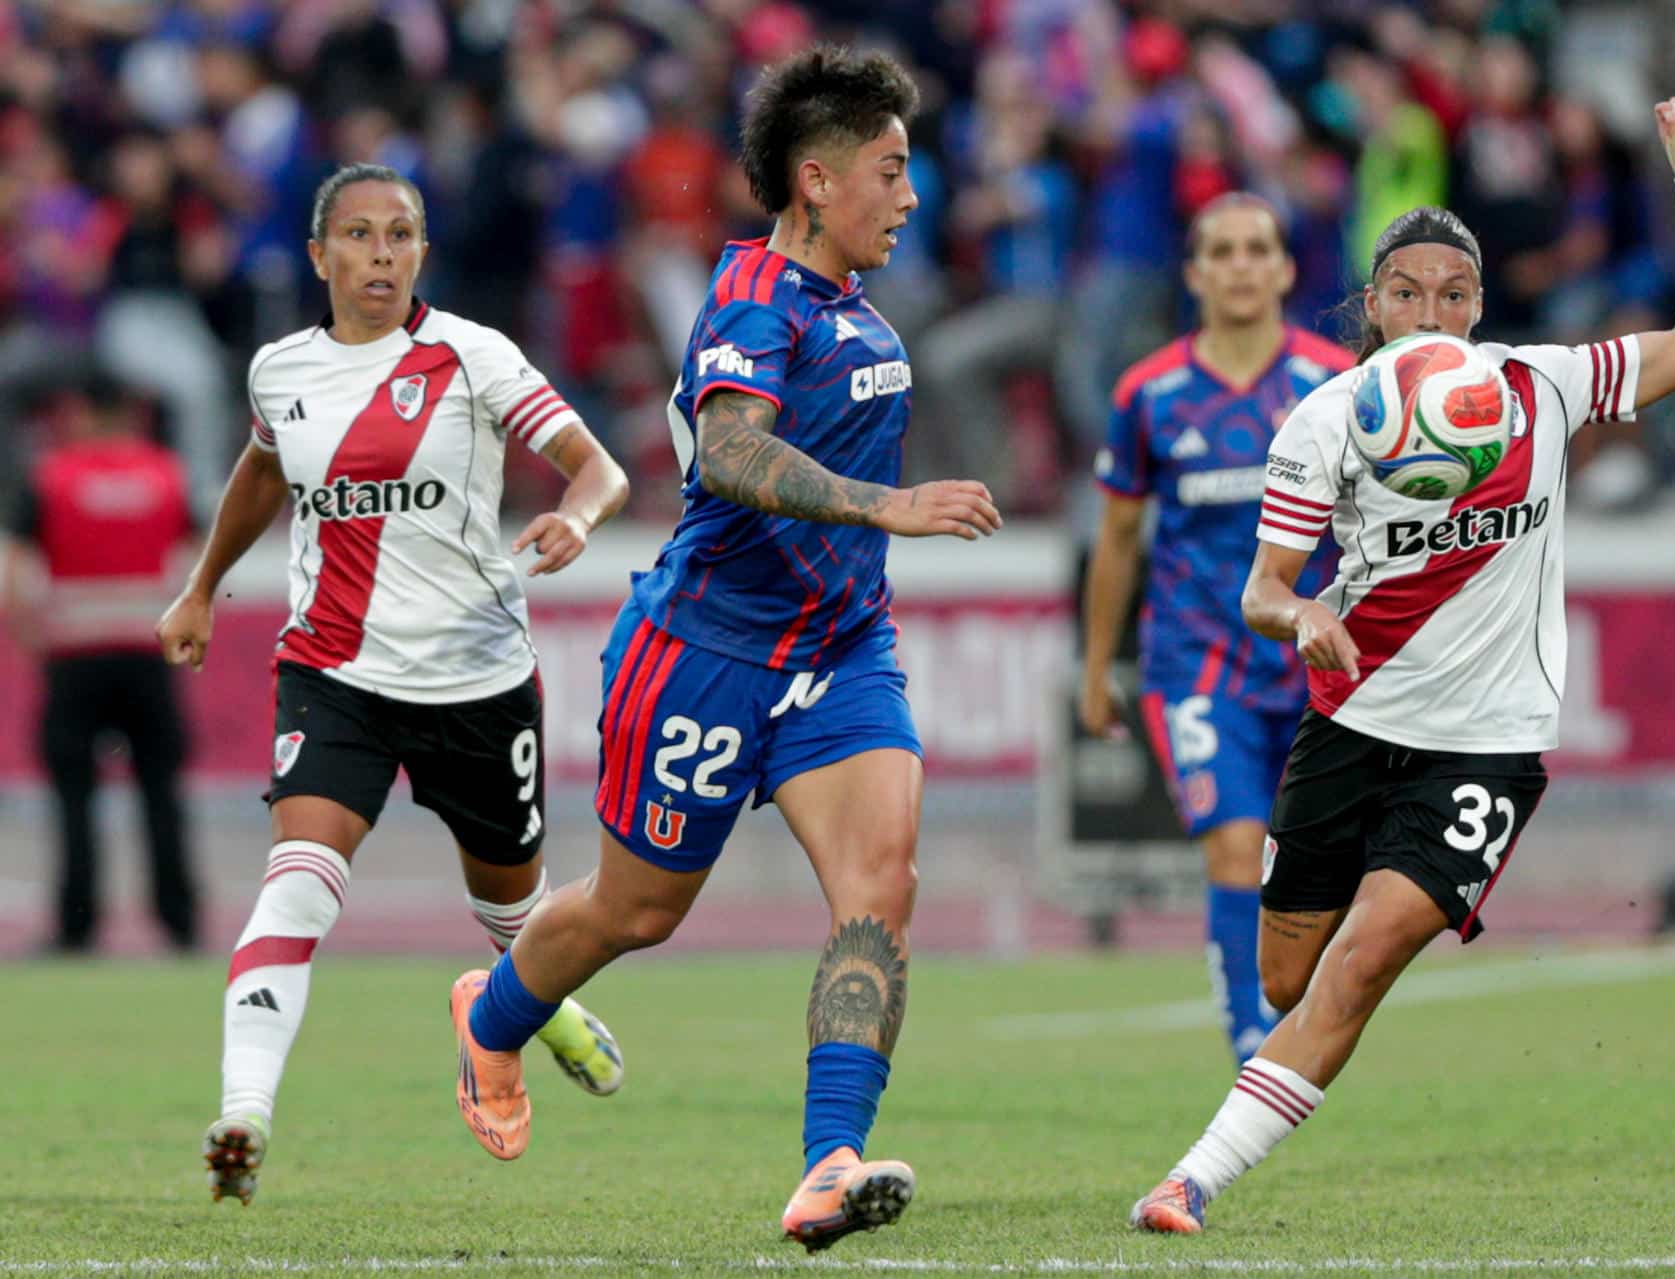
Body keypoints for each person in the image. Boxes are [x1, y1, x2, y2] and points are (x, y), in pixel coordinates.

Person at [1130, 97, 1675, 1233]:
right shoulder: (1323, 419)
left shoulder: (1537, 387)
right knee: (1284, 978)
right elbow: (1260, 587)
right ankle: (1241, 1109)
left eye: (1452, 293)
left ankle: (1188, 1180)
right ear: (1372, 304)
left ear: (1478, 306)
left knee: (1360, 963)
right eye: (1405, 291)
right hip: (1354, 724)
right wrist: (1300, 611)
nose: (1428, 310)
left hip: (1489, 748)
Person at [446, 45, 1001, 1252]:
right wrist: (885, 506)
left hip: (842, 653)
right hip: (703, 647)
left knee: (881, 892)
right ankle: (491, 1020)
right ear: (816, 179)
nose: (913, 197)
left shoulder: (853, 309)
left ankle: (828, 1162)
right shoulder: (750, 293)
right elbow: (734, 453)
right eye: (892, 171)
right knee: (638, 913)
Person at [153, 163, 632, 1207]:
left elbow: (599, 467)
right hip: (336, 672)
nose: (382, 254)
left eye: (401, 234)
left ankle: (520, 1005)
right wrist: (201, 587)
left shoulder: (472, 355)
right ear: (320, 255)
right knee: (301, 877)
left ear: (423, 251)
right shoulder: (280, 370)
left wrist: (580, 517)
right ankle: (244, 1113)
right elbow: (265, 471)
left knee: (515, 921)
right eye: (360, 236)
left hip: (478, 680)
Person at [1081, 192, 1353, 1065]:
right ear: (1195, 274)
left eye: (1256, 249)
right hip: (1195, 663)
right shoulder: (1149, 395)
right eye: (1222, 251)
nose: (1240, 265)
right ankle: (1253, 1041)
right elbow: (1117, 539)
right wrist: (1096, 669)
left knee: (1312, 863)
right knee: (1235, 841)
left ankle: (1294, 1014)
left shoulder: (1335, 384)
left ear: (1283, 268)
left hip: (1315, 663)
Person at [2, 374, 198, 954]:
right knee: (162, 792)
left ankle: (77, 924)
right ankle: (179, 919)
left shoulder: (52, 477)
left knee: (73, 797)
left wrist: (28, 636)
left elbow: (15, 569)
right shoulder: (167, 475)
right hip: (147, 653)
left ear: (81, 412)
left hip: (74, 658)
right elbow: (199, 557)